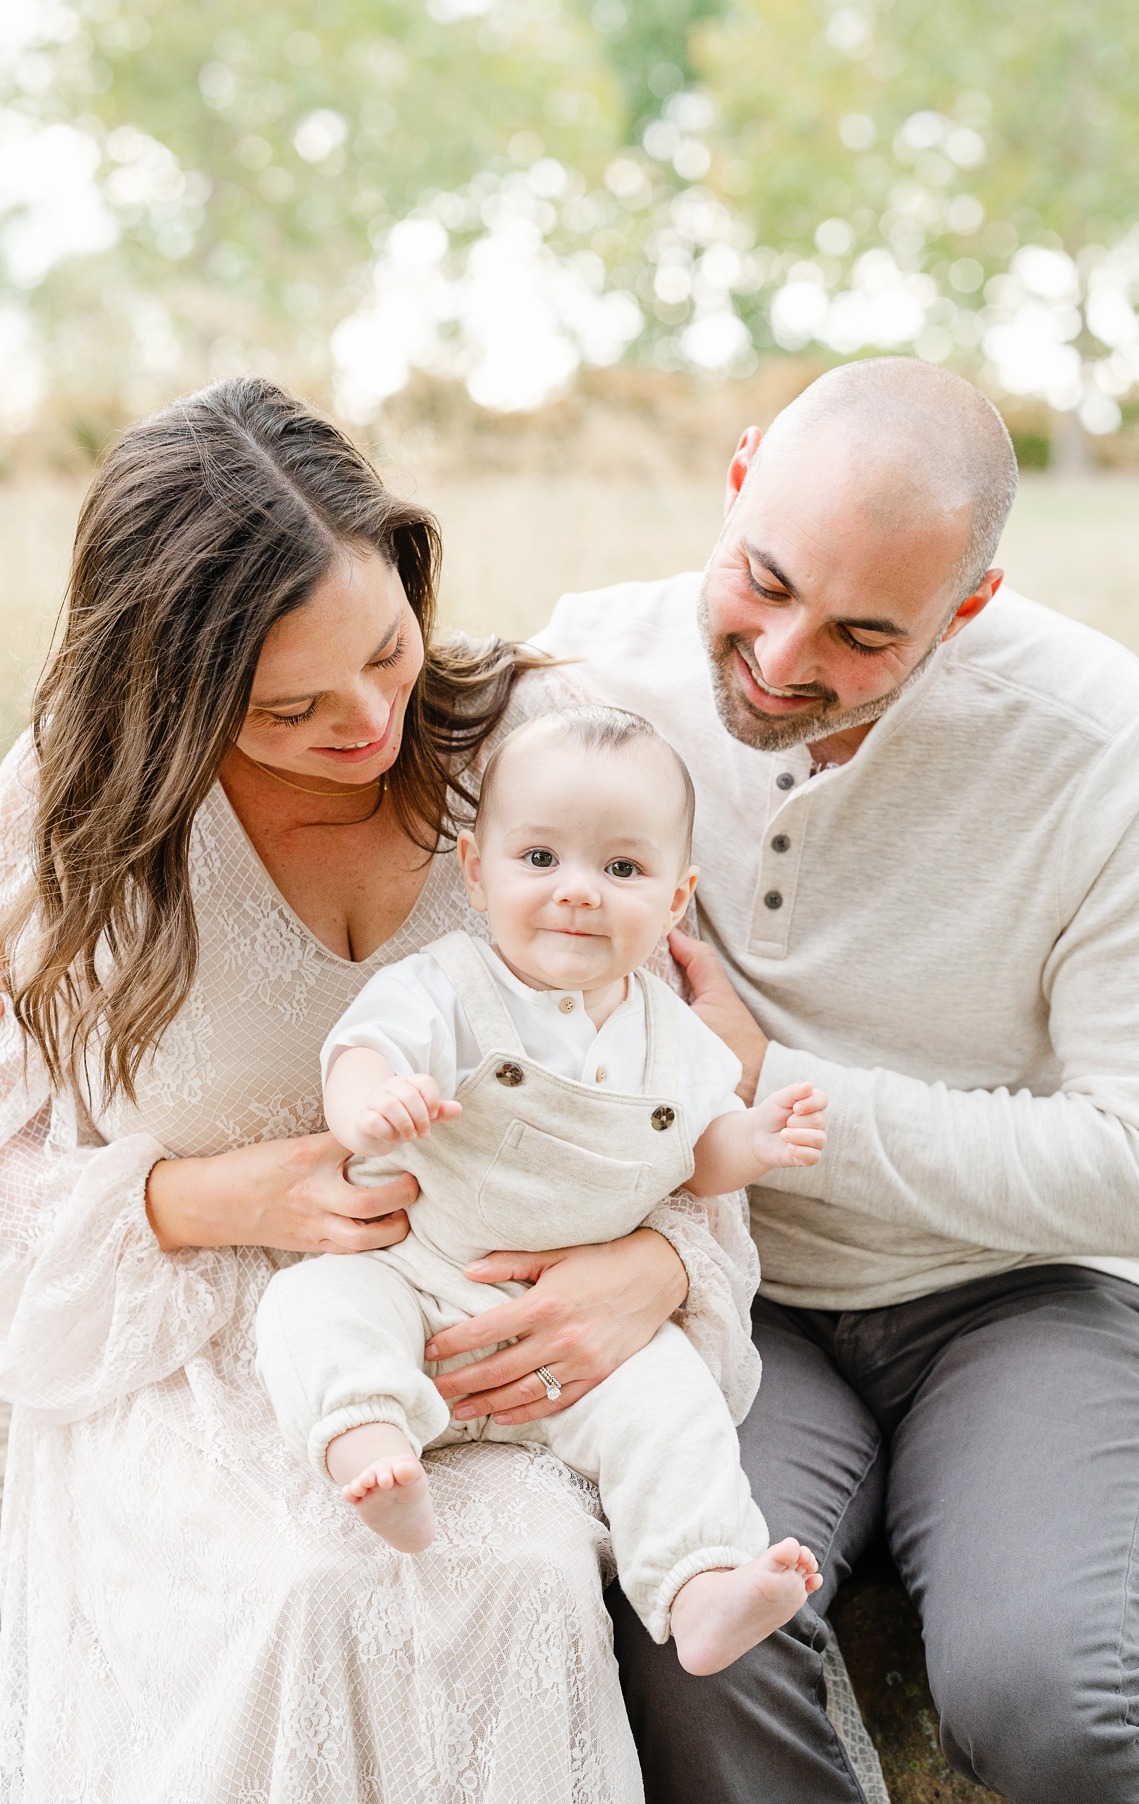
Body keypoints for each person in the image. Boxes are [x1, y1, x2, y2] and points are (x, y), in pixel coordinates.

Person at [0, 378, 768, 1802]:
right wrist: (200, 1198)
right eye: (286, 705)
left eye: (387, 652)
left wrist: (654, 1266)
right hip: (190, 1353)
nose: (363, 720)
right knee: (300, 1587)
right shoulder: (72, 816)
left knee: (529, 1575)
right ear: (161, 692)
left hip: (482, 1337)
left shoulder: (539, 744)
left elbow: (672, 1065)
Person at [535, 356, 1139, 1803]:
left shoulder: (1110, 746)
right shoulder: (585, 681)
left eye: (861, 633)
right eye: (760, 582)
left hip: (1031, 1293)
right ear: (736, 476)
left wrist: (782, 1091)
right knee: (695, 1632)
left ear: (969, 606)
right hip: (732, 1282)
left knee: (1050, 1693)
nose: (779, 660)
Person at [255, 707, 828, 1676]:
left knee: (672, 1404)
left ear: (676, 897)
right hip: (418, 1273)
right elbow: (360, 1053)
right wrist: (371, 1110)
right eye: (540, 858)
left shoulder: (671, 1034)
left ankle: (699, 1584)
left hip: (569, 1330)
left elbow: (698, 1157)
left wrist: (754, 1141)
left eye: (622, 870)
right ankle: (370, 1446)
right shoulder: (446, 985)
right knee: (311, 1304)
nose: (578, 894)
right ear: (476, 871)